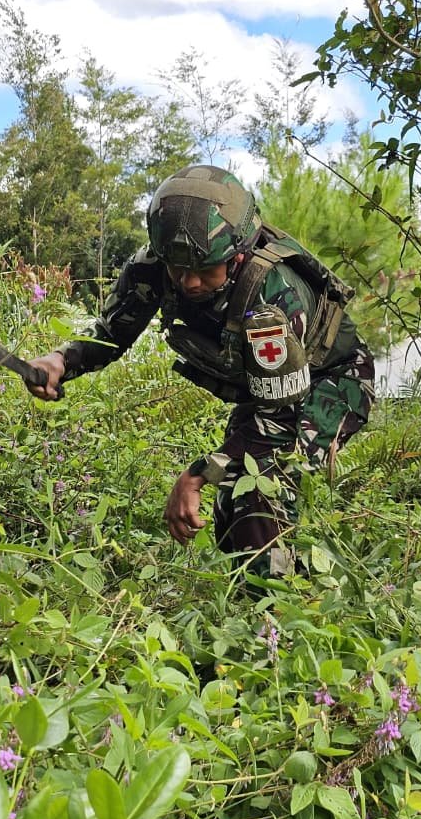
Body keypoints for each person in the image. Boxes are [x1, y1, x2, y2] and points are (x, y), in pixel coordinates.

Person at [26, 165, 375, 573]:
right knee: (232, 496)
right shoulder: (156, 266)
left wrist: (195, 475)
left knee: (260, 485)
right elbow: (112, 332)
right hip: (266, 390)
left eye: (205, 270)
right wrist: (60, 361)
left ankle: (282, 600)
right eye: (178, 269)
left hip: (333, 382)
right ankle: (249, 596)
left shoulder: (271, 296)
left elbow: (279, 420)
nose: (189, 282)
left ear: (237, 256)